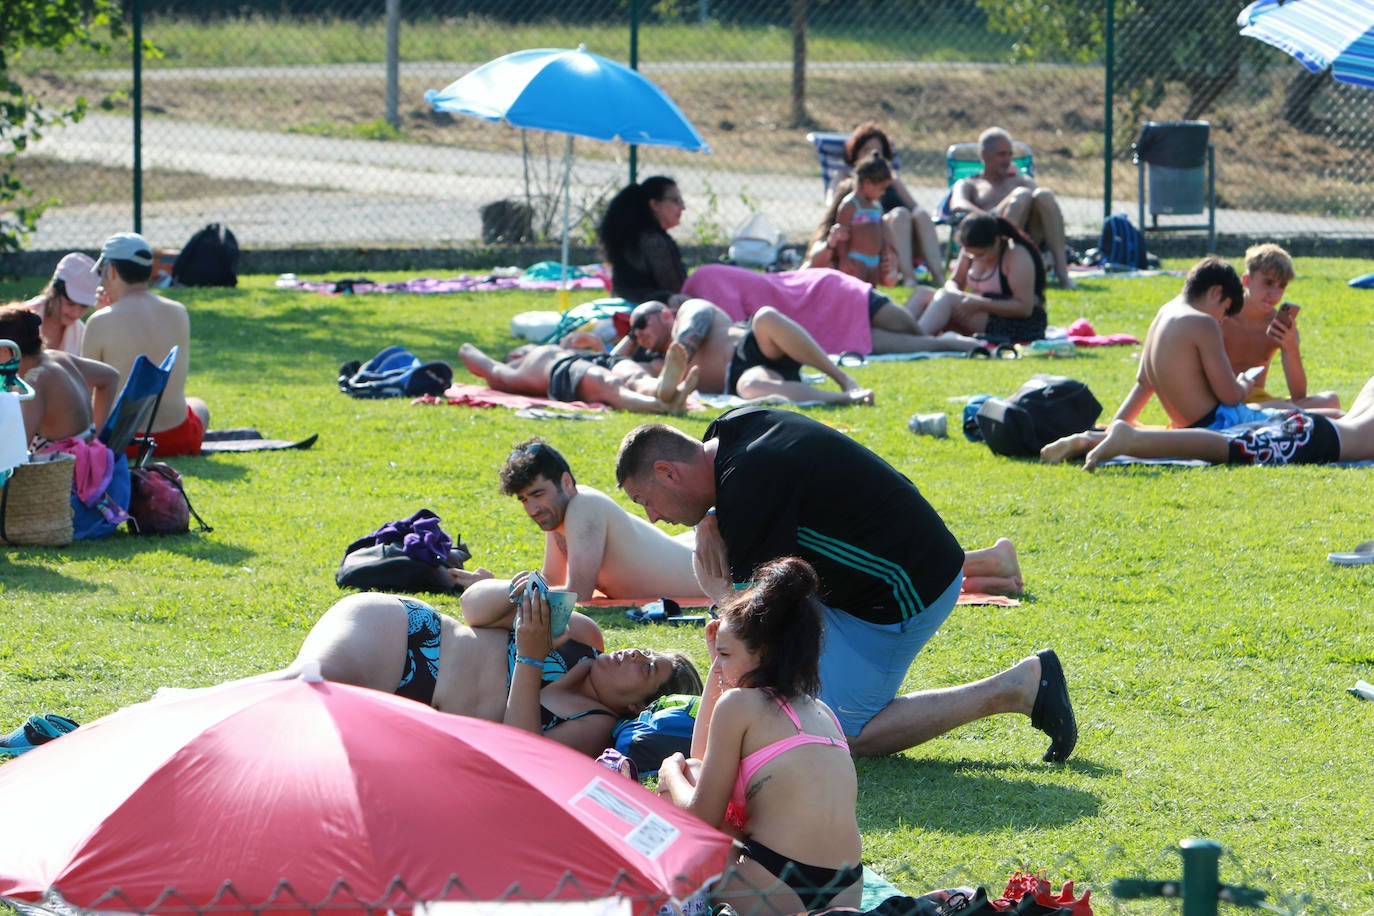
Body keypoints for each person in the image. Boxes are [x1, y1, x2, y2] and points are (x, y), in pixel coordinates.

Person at [614, 408, 1077, 762]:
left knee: (834, 731)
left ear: (668, 473)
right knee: (786, 693)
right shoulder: (729, 429)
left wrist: (720, 597)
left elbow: (752, 631)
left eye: (646, 501)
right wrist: (710, 520)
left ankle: (1018, 687)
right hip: (913, 558)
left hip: (908, 593)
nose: (653, 516)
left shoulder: (748, 488)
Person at [657, 557, 862, 916]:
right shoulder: (820, 710)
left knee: (678, 782)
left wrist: (669, 773)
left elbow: (701, 814)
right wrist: (718, 666)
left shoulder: (740, 704)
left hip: (774, 883)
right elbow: (703, 762)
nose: (718, 667)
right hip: (846, 891)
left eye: (724, 655)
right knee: (694, 770)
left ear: (763, 653)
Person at [459, 438, 710, 623]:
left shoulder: (584, 506)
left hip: (707, 565)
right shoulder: (561, 515)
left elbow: (578, 592)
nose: (532, 509)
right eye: (524, 500)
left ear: (566, 482)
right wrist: (497, 587)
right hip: (690, 552)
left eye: (537, 494)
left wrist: (496, 592)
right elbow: (554, 581)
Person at [1045, 372, 1374, 471]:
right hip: (1317, 438)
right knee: (1223, 447)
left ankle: (1091, 440)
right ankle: (1131, 439)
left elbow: (1343, 417)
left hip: (1310, 426)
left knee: (1221, 440)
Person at [0, 305, 129, 539]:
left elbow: (15, 451)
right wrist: (96, 434)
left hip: (65, 482)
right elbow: (110, 377)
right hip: (90, 461)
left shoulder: (34, 382)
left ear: (8, 352)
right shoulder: (57, 357)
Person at [83, 232, 210, 457]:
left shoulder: (100, 322)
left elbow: (87, 392)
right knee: (199, 405)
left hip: (122, 443)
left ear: (111, 270)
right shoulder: (179, 312)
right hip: (178, 438)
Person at [679, 263, 983, 357]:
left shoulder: (700, 282)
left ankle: (925, 305)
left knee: (910, 329)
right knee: (919, 344)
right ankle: (950, 337)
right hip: (816, 330)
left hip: (821, 291)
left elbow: (733, 330)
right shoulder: (694, 311)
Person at [1107, 256, 1265, 432]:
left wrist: (1115, 426)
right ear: (1216, 293)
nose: (1221, 320)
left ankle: (1090, 439)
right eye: (1225, 310)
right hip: (1216, 425)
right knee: (1294, 422)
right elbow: (1231, 396)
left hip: (1185, 427)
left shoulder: (1163, 313)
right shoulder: (1204, 323)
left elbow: (1144, 383)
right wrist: (1243, 384)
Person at [627, 299, 875, 406]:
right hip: (743, 377)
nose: (638, 335)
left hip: (751, 345)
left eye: (640, 324)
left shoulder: (688, 310)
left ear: (664, 314)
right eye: (632, 334)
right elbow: (619, 362)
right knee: (750, 387)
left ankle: (844, 380)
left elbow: (695, 324)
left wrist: (678, 361)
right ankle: (846, 400)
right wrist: (630, 341)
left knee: (765, 316)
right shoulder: (653, 362)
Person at [807, 122, 946, 287]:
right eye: (866, 149)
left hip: (900, 235)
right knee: (900, 215)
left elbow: (914, 206)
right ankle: (909, 278)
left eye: (877, 150)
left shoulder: (892, 179)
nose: (871, 154)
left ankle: (939, 277)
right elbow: (832, 207)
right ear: (856, 152)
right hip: (866, 234)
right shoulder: (845, 178)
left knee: (920, 214)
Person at [948, 126, 1076, 290]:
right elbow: (958, 205)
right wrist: (990, 216)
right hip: (989, 236)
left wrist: (1021, 183)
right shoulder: (970, 183)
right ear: (985, 155)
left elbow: (1045, 204)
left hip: (1027, 237)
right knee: (1021, 195)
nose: (1007, 160)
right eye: (1001, 154)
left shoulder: (1019, 180)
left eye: (1010, 154)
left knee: (1044, 194)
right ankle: (1000, 269)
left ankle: (1062, 274)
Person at [1221, 243, 1341, 412]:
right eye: (1268, 283)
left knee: (1331, 401)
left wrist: (1291, 348)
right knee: (1285, 408)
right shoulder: (1222, 316)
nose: (1274, 294)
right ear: (1246, 280)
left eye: (1282, 286)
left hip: (1259, 403)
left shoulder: (1279, 324)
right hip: (1224, 401)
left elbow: (1299, 394)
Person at [905, 214, 1048, 342]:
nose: (976, 259)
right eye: (971, 255)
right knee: (923, 293)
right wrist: (956, 293)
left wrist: (979, 303)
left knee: (946, 298)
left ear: (997, 241)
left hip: (1016, 322)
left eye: (981, 255)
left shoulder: (1016, 256)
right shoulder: (969, 250)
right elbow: (955, 281)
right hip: (978, 310)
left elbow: (1024, 308)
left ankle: (914, 341)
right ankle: (891, 333)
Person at [458, 341, 698, 414]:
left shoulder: (547, 352)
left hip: (596, 357)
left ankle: (663, 390)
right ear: (514, 354)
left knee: (634, 375)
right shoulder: (515, 370)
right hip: (565, 368)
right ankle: (661, 404)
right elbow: (472, 355)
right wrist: (467, 347)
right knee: (606, 383)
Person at [599, 176, 688, 304]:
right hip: (651, 316)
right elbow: (679, 289)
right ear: (654, 204)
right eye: (676, 200)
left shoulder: (633, 237)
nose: (682, 207)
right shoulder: (653, 242)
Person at [831, 154, 898, 288]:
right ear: (867, 183)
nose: (883, 193)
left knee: (871, 291)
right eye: (881, 188)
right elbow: (842, 234)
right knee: (856, 289)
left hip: (874, 260)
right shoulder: (851, 205)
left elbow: (881, 232)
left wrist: (884, 251)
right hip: (856, 258)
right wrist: (844, 258)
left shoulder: (876, 206)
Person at [22, 252, 101, 355]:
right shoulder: (22, 319)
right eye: (70, 304)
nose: (76, 313)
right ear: (53, 291)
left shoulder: (80, 334)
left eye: (84, 306)